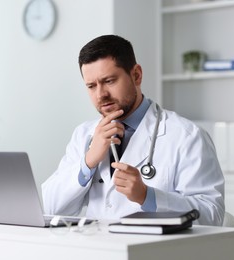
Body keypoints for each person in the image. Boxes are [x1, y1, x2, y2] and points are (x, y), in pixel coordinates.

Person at [42, 35, 224, 226]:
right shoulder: (84, 135)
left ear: (136, 75)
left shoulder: (187, 136)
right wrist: (87, 163)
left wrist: (148, 196)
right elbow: (52, 209)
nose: (101, 94)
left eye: (109, 81)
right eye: (91, 86)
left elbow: (213, 215)